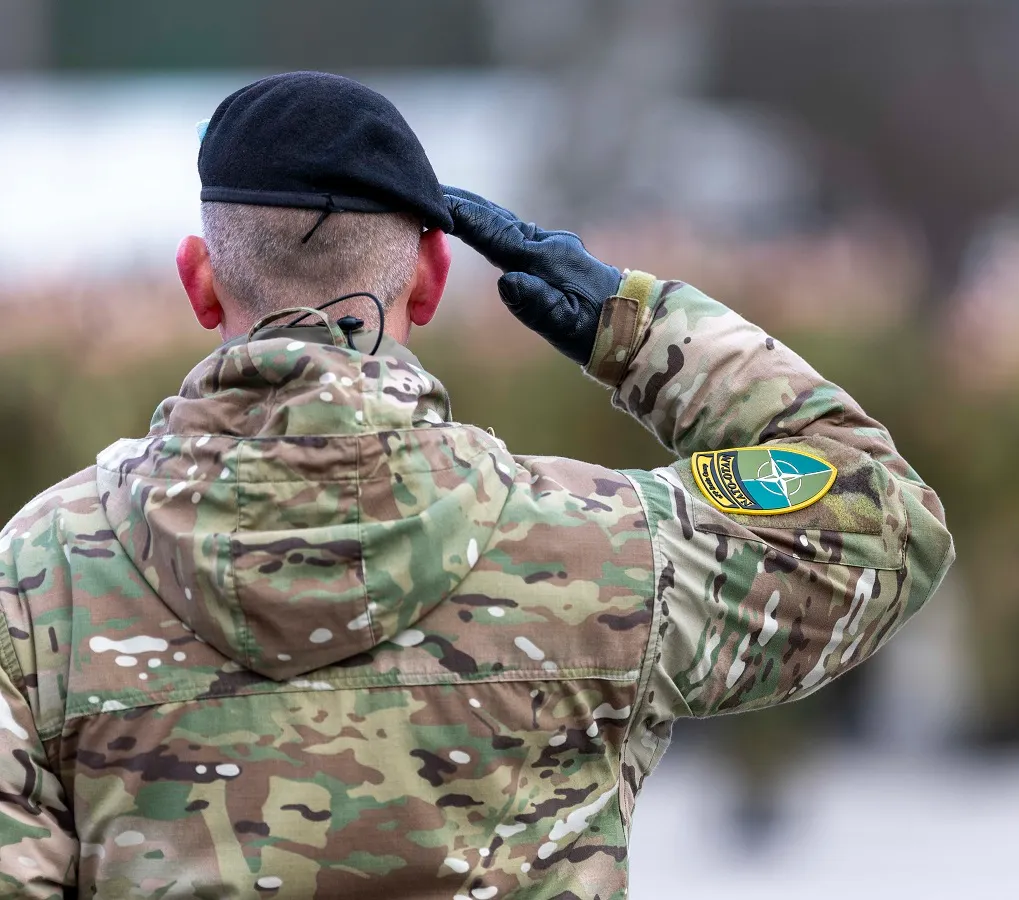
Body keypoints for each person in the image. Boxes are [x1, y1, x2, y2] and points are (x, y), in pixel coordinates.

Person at [0, 72, 954, 899]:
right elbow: (879, 517)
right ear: (431, 279)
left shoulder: (39, 578)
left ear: (199, 281)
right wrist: (637, 331)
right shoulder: (599, 547)